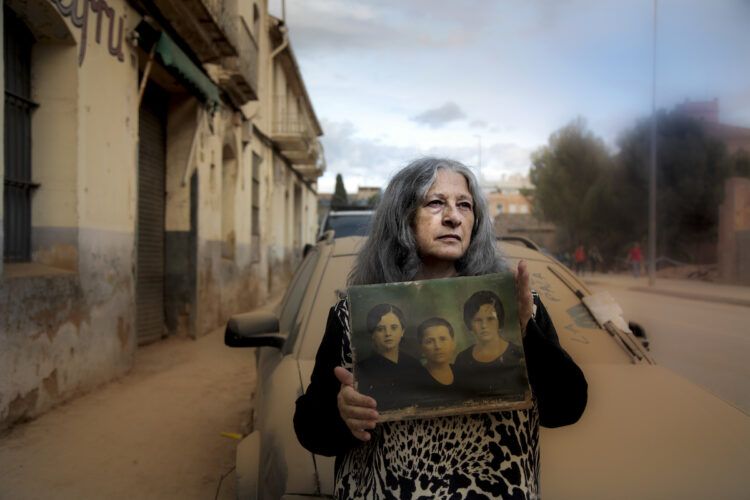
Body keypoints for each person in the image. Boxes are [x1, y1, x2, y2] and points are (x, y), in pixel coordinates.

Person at [294, 157, 587, 498]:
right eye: (435, 203)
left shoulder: (517, 307)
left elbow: (566, 409)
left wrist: (526, 333)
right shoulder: (352, 316)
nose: (453, 216)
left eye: (465, 205)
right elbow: (309, 430)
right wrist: (341, 415)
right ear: (402, 218)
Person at [453, 290, 527, 398]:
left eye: (490, 319)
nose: (484, 326)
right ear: (470, 324)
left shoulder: (519, 354)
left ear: (499, 321)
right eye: (477, 320)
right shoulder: (462, 359)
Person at [355, 304, 425, 411]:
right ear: (372, 334)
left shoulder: (414, 364)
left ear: (402, 331)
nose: (388, 334)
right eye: (380, 329)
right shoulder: (361, 369)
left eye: (394, 328)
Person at [416, 317, 461, 403]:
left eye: (443, 339)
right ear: (421, 348)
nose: (438, 346)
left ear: (453, 343)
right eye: (429, 341)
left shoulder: (463, 373)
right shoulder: (417, 380)